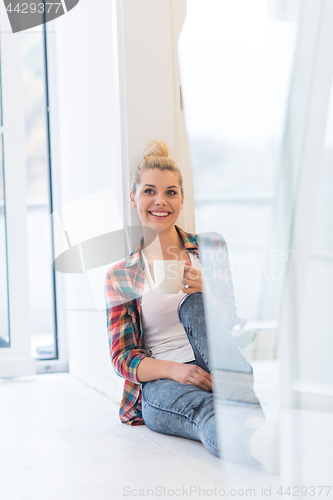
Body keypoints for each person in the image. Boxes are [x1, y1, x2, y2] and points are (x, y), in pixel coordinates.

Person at [105, 141, 278, 472]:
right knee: (205, 409)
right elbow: (122, 359)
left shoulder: (210, 248)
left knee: (196, 304)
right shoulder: (121, 274)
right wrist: (177, 371)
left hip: (217, 362)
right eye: (149, 192)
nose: (160, 201)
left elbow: (226, 320)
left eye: (171, 192)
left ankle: (258, 431)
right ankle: (259, 440)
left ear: (182, 199)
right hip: (162, 379)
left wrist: (208, 293)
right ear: (134, 198)